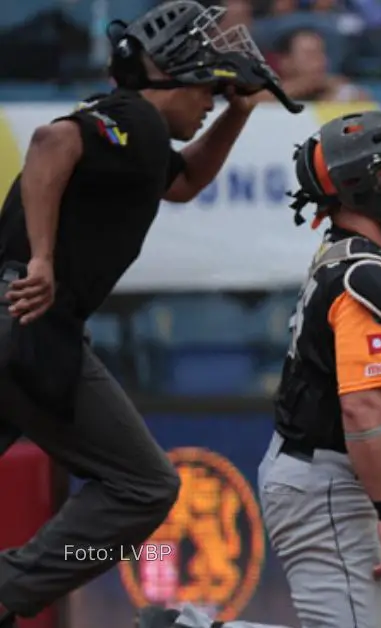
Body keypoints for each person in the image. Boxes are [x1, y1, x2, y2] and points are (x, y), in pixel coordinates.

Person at [137, 111, 381, 628]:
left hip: (329, 470)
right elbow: (361, 406)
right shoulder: (369, 278)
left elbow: (376, 401)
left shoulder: (350, 254)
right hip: (327, 484)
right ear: (360, 186)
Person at [0, 1, 300, 624]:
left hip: (17, 317)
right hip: (29, 316)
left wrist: (241, 110)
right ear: (174, 75)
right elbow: (50, 142)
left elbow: (184, 183)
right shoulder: (136, 117)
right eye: (209, 90)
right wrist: (43, 260)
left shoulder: (139, 135)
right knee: (146, 487)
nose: (213, 101)